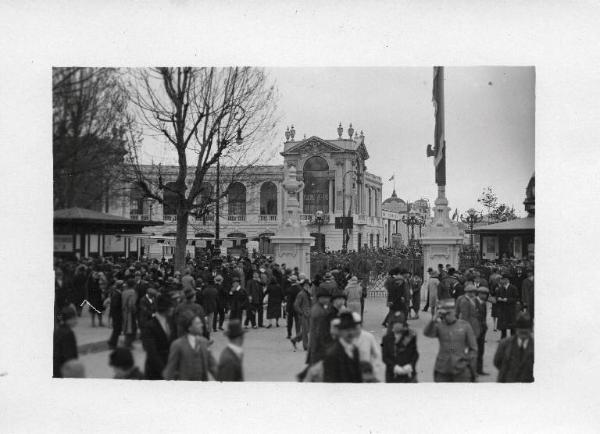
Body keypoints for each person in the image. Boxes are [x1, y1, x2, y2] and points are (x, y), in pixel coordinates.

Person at [424, 299, 478, 382]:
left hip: (461, 370)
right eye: (445, 314)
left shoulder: (464, 325)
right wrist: (433, 319)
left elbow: (473, 349)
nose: (447, 316)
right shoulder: (439, 326)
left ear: (454, 312)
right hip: (442, 369)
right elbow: (427, 333)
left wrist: (465, 360)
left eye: (449, 313)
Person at [163, 313, 217, 381]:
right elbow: (170, 370)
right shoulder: (177, 345)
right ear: (189, 327)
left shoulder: (204, 342)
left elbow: (213, 366)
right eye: (198, 323)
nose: (202, 325)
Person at [322, 311, 363, 383]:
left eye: (352, 329)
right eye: (346, 329)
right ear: (340, 331)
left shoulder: (354, 350)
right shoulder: (332, 354)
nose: (350, 333)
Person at [142, 295, 175, 380]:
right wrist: (164, 370)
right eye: (171, 307)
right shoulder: (149, 326)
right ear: (165, 308)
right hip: (155, 371)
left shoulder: (170, 322)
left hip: (170, 365)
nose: (173, 309)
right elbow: (151, 352)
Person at [493, 313, 534, 382]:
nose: (523, 331)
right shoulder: (505, 344)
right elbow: (497, 362)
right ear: (516, 329)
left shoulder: (535, 347)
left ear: (531, 329)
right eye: (520, 328)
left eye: (526, 328)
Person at [381, 311, 419, 383]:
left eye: (399, 322)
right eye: (395, 322)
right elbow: (385, 357)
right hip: (392, 375)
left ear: (403, 324)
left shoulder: (411, 336)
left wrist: (410, 366)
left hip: (408, 374)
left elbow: (415, 354)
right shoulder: (386, 338)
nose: (396, 325)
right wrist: (394, 367)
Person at [353, 312, 384, 381]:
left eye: (357, 325)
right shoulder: (347, 338)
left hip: (366, 372)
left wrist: (374, 370)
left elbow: (377, 355)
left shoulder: (368, 337)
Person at [307, 287, 333, 366]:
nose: (328, 300)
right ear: (320, 298)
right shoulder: (318, 310)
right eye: (326, 298)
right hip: (318, 343)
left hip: (315, 342)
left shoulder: (318, 308)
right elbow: (319, 329)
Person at [53, 306, 78, 378]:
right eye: (74, 318)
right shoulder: (68, 333)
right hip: (64, 369)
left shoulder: (58, 330)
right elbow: (69, 354)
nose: (76, 320)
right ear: (69, 320)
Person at [291, 277, 312, 351]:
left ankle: (295, 339)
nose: (308, 286)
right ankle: (305, 346)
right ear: (303, 285)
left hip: (308, 314)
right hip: (303, 315)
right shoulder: (301, 294)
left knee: (307, 330)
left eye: (308, 285)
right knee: (306, 330)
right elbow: (296, 305)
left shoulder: (308, 293)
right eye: (306, 285)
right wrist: (301, 312)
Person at [475, 286, 490, 375]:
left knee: (481, 350)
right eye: (482, 294)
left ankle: (479, 370)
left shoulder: (484, 303)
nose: (484, 296)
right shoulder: (474, 302)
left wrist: (485, 327)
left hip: (482, 330)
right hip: (475, 330)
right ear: (478, 293)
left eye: (486, 294)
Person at [121, 279, 138, 349]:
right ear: (133, 285)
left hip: (124, 311)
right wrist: (134, 311)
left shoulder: (124, 292)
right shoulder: (132, 292)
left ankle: (126, 342)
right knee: (131, 328)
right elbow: (131, 304)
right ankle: (128, 344)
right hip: (130, 312)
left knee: (126, 327)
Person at [107, 280, 123, 349]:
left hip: (116, 313)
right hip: (117, 314)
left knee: (117, 329)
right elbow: (116, 304)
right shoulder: (117, 294)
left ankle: (112, 342)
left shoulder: (116, 292)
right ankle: (112, 343)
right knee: (116, 329)